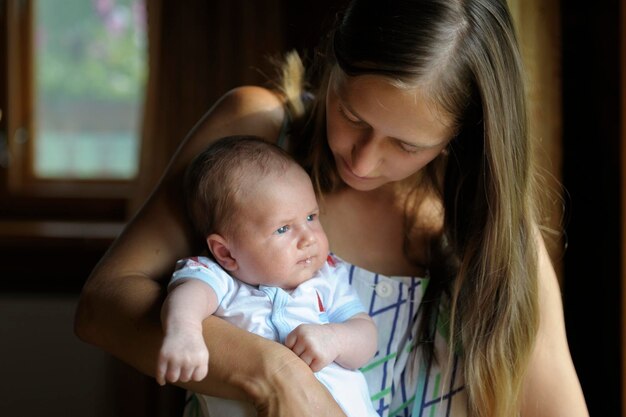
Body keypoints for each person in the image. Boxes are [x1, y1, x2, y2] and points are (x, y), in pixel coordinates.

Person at [74, 0, 590, 416]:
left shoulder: (490, 233)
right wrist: (277, 376)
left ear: (463, 133)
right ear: (333, 63)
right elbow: (103, 307)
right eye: (351, 114)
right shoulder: (256, 140)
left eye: (405, 146)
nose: (364, 161)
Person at [157, 135, 378, 417]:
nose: (308, 238)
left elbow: (366, 338)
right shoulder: (220, 279)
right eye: (283, 229)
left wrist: (334, 339)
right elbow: (188, 296)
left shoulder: (326, 278)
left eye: (311, 217)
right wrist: (184, 331)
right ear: (226, 253)